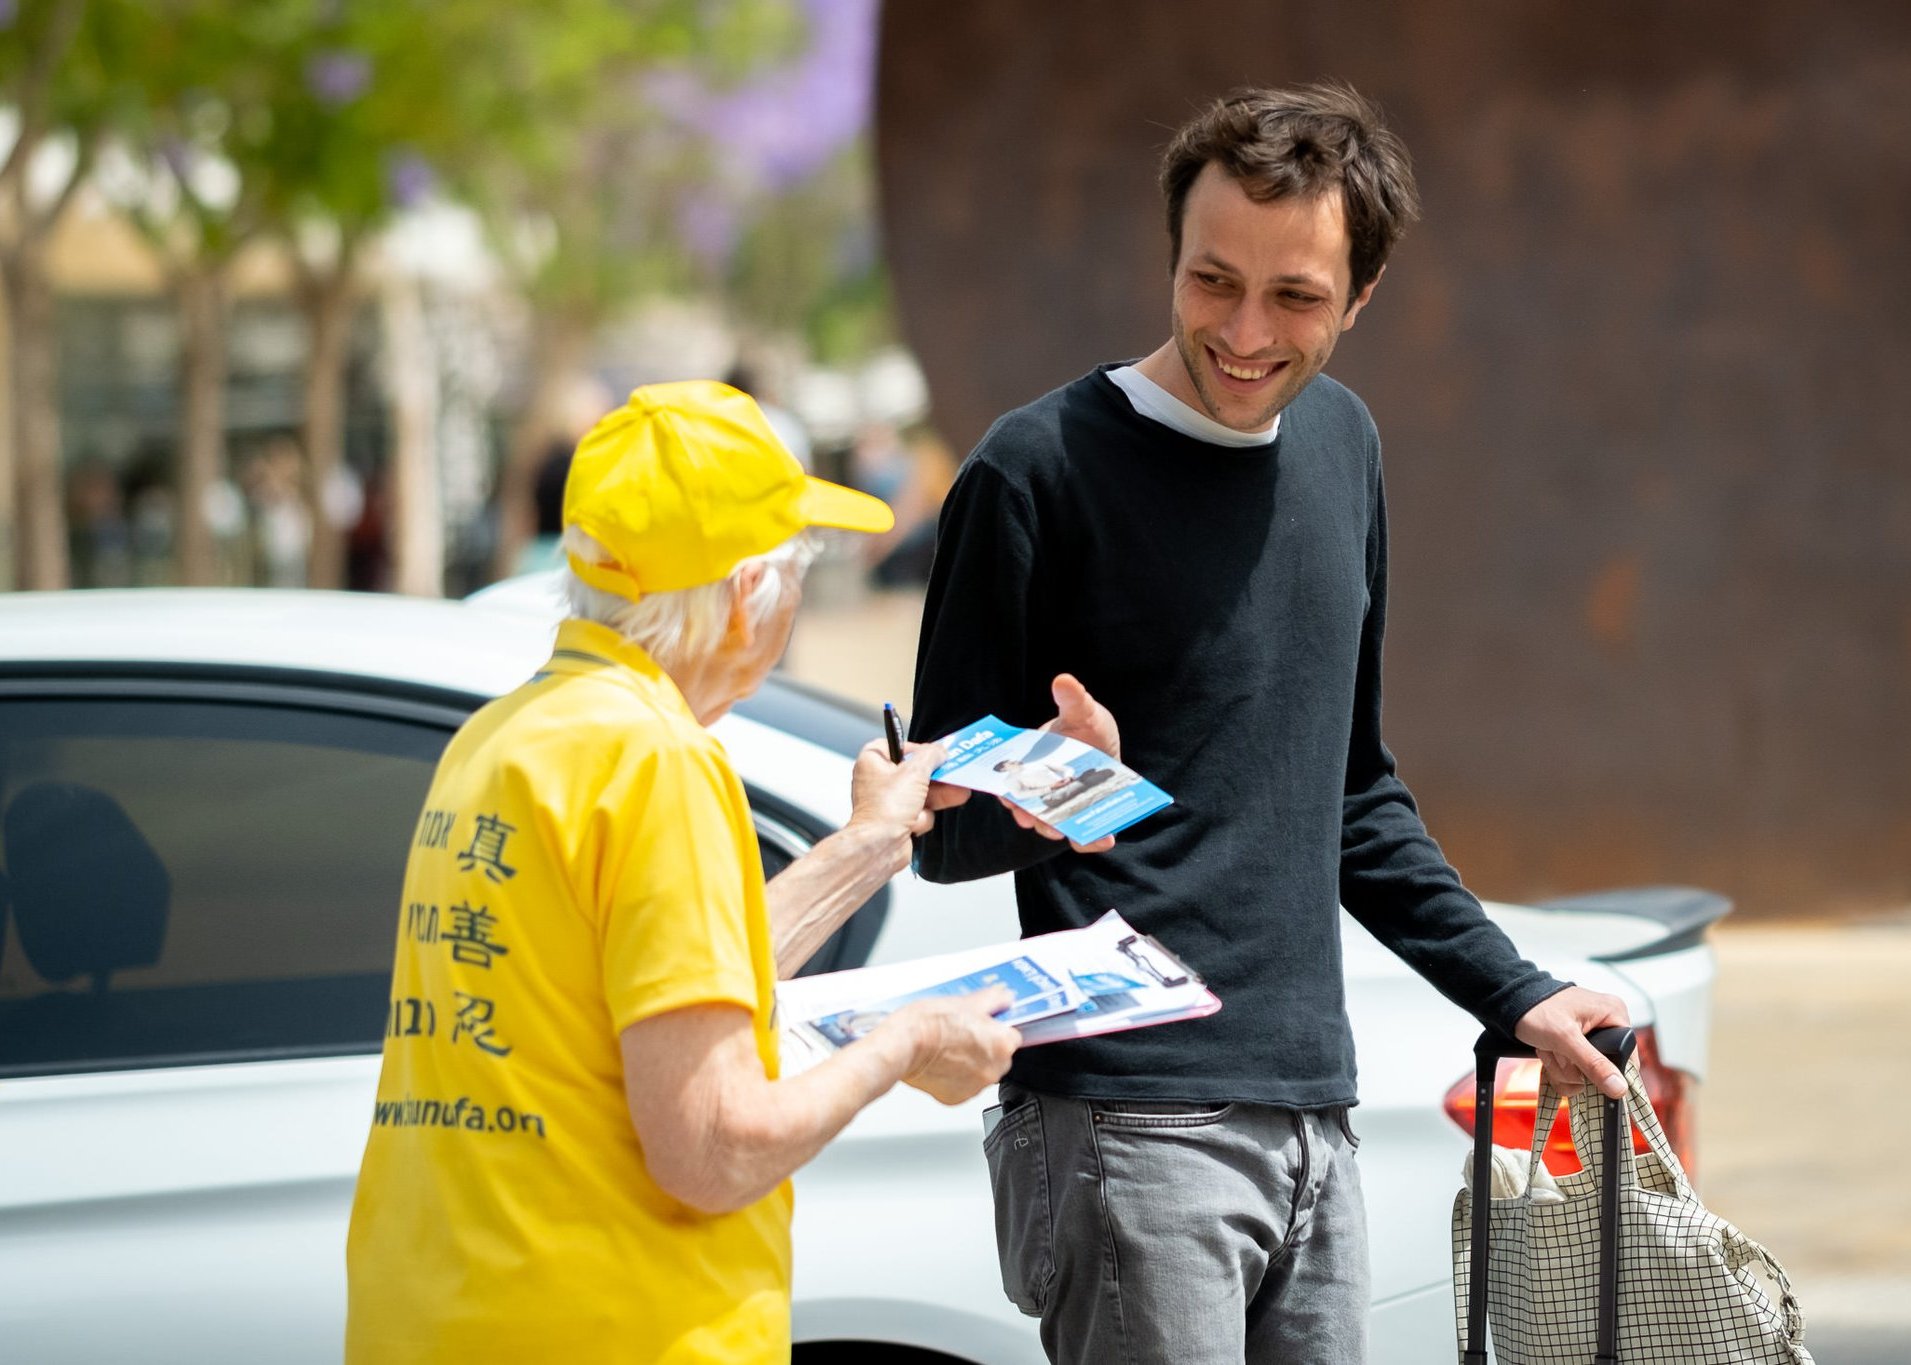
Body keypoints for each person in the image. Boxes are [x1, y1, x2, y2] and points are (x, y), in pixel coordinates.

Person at [907, 84, 1632, 1364]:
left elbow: (1351, 793)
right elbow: (941, 838)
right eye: (1211, 281)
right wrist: (1044, 789)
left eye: (1295, 297)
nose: (1243, 332)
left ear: (1360, 299)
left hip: (1316, 1116)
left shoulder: (1345, 448)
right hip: (1122, 1124)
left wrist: (1516, 993)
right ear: (1171, 260)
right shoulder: (1032, 474)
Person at [345, 380, 1021, 1363]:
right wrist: (907, 1044)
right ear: (749, 597)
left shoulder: (507, 738)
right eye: (795, 571)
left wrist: (872, 842)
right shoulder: (661, 760)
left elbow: (677, 985)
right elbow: (712, 1148)